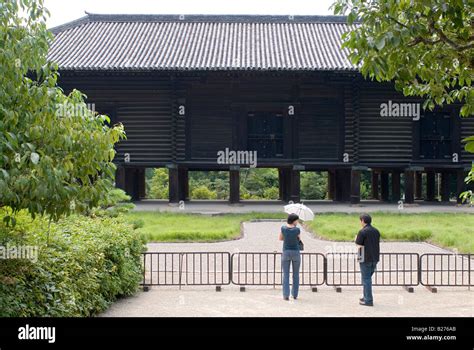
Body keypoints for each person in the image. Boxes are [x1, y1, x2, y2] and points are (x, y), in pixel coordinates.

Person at [355, 213, 380, 306]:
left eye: (360, 221)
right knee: (368, 278)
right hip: (375, 258)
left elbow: (359, 245)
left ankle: (368, 300)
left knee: (366, 279)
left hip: (364, 258)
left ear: (362, 221)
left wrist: (355, 239)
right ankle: (365, 296)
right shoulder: (376, 231)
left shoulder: (362, 232)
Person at [279, 213, 301, 300]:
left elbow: (280, 238)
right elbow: (299, 239)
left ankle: (286, 295)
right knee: (296, 275)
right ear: (294, 220)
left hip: (286, 252)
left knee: (286, 274)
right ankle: (295, 294)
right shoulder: (297, 230)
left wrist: (287, 238)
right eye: (297, 220)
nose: (298, 222)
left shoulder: (283, 228)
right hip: (295, 252)